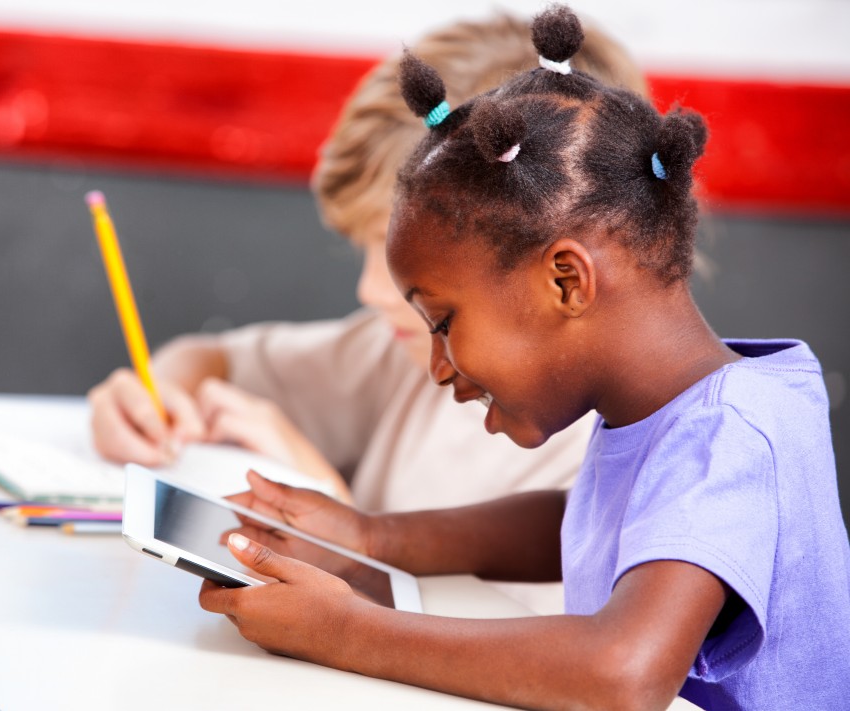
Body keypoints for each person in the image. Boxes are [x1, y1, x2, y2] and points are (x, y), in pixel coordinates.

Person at [197, 6, 850, 709]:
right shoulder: (671, 410)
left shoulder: (733, 429)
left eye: (443, 322)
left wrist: (349, 631)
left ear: (566, 280)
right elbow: (579, 523)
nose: (438, 365)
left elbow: (623, 671)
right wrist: (369, 537)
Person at [88, 12, 645, 515]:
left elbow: (509, 625)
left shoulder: (615, 458)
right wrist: (156, 394)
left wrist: (333, 516)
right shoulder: (402, 356)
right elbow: (213, 358)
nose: (372, 291)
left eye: (393, 252)